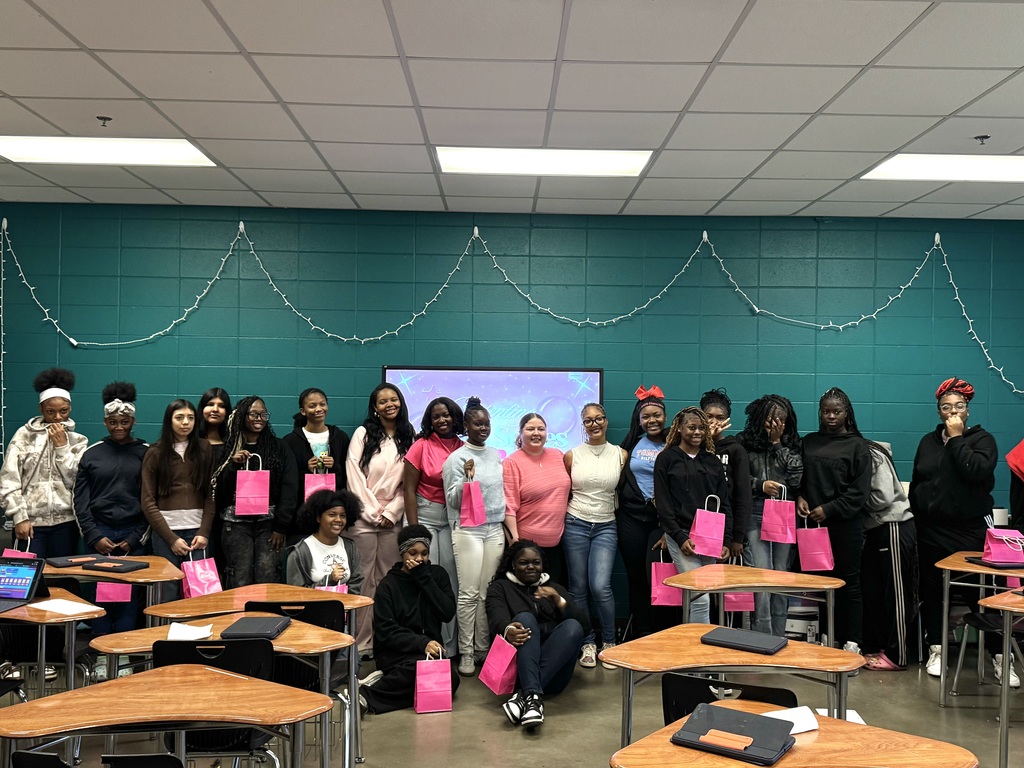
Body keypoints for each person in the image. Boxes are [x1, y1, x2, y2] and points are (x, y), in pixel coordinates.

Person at [911, 378, 1007, 683]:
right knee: (933, 591)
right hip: (931, 529)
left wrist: (955, 440)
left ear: (967, 410)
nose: (953, 411)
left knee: (980, 593)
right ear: (939, 411)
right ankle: (937, 649)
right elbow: (918, 479)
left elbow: (975, 470)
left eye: (959, 406)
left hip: (969, 531)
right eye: (946, 407)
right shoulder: (927, 441)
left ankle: (1000, 656)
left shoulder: (982, 440)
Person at [797, 387, 872, 653]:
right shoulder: (809, 442)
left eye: (836, 411)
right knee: (820, 583)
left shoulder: (858, 446)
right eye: (826, 411)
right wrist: (800, 496)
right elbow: (799, 477)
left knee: (848, 583)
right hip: (812, 528)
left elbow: (859, 493)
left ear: (846, 413)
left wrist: (829, 509)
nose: (831, 416)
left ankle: (853, 641)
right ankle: (828, 638)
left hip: (846, 526)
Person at [485, 539, 588, 730]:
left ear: (542, 565)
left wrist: (560, 601)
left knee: (573, 626)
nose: (531, 567)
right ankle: (532, 698)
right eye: (524, 562)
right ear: (513, 565)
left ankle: (525, 696)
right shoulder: (500, 588)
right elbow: (496, 619)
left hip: (554, 673)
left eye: (536, 562)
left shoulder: (554, 589)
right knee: (524, 619)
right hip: (515, 672)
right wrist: (508, 630)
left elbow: (586, 627)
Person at [73, 382, 148, 641]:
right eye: (113, 422)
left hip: (133, 535)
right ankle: (100, 649)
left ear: (133, 421)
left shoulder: (146, 453)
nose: (119, 427)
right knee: (100, 593)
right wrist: (93, 536)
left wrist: (136, 537)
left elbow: (151, 501)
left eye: (124, 421)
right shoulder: (91, 454)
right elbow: (79, 501)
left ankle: (124, 649)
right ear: (105, 422)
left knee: (128, 595)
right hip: (100, 533)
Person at [346, 383, 416, 657]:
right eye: (383, 401)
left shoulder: (409, 436)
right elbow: (353, 474)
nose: (390, 404)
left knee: (388, 581)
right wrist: (373, 512)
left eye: (394, 399)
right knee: (363, 581)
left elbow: (410, 484)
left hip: (392, 521)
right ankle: (361, 644)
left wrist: (391, 513)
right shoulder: (363, 434)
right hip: (363, 519)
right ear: (374, 407)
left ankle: (386, 640)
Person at [362, 524, 460, 714]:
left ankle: (385, 683)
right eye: (412, 553)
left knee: (451, 681)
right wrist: (421, 643)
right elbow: (387, 631)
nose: (419, 559)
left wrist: (424, 579)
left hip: (429, 654)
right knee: (419, 671)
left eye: (424, 553)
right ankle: (367, 696)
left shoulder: (437, 575)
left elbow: (447, 613)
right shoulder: (388, 585)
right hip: (395, 652)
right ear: (402, 554)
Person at [442, 397, 506, 677]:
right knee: (468, 594)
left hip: (494, 529)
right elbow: (452, 501)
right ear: (465, 425)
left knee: (485, 592)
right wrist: (468, 479)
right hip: (468, 529)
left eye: (487, 423)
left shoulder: (494, 455)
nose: (483, 428)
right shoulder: (456, 458)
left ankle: (482, 648)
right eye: (477, 423)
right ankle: (466, 653)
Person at [653, 406, 732, 624]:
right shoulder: (666, 459)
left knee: (705, 594)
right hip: (682, 536)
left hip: (710, 537)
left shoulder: (712, 461)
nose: (696, 432)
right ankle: (699, 652)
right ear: (679, 428)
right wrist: (679, 537)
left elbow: (724, 502)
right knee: (700, 598)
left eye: (701, 428)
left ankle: (696, 643)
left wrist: (726, 540)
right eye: (691, 427)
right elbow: (664, 504)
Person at [563, 402, 626, 669]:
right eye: (588, 421)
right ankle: (587, 643)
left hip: (606, 525)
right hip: (575, 523)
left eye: (599, 419)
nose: (594, 424)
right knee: (578, 589)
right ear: (583, 425)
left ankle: (609, 643)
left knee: (600, 587)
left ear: (606, 421)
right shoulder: (571, 455)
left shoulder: (621, 454)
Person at [1, 368, 88, 557]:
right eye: (51, 412)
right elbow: (9, 480)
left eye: (63, 411)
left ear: (70, 408)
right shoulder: (24, 436)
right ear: (41, 409)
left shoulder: (78, 440)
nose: (58, 417)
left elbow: (76, 481)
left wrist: (62, 447)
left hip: (66, 523)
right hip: (30, 523)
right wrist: (19, 517)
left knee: (63, 577)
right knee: (29, 580)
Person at [212, 395, 298, 587]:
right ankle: (237, 616)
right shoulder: (228, 448)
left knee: (267, 575)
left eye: (263, 414)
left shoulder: (278, 447)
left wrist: (280, 527)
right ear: (242, 416)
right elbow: (218, 490)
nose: (259, 418)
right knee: (238, 576)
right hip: (235, 525)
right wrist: (233, 465)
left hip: (269, 525)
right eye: (253, 414)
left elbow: (289, 487)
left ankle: (268, 617)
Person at [403, 396, 464, 655]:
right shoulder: (420, 445)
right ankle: (426, 642)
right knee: (425, 576)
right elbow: (408, 489)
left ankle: (449, 648)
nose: (442, 420)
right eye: (437, 416)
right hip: (424, 515)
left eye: (447, 415)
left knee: (448, 582)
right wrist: (415, 533)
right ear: (429, 420)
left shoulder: (463, 447)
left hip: (452, 518)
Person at [737, 394, 803, 637]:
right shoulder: (742, 442)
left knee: (781, 574)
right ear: (759, 419)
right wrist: (759, 485)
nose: (775, 425)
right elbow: (736, 477)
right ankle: (762, 636)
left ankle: (780, 635)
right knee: (762, 575)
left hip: (783, 512)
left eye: (781, 421)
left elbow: (796, 478)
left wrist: (777, 444)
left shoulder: (792, 444)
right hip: (755, 512)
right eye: (770, 421)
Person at [141, 399, 215, 602]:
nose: (186, 423)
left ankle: (199, 632)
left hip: (197, 535)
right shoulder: (155, 452)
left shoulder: (204, 448)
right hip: (166, 534)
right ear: (169, 421)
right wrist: (171, 538)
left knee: (200, 593)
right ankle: (167, 633)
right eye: (179, 417)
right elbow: (147, 501)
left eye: (191, 418)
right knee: (167, 591)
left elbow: (210, 495)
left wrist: (204, 533)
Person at [615, 386, 670, 640]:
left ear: (665, 417)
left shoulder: (673, 444)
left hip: (661, 523)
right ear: (638, 420)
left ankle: (662, 632)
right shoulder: (630, 445)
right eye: (646, 416)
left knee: (658, 578)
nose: (652, 420)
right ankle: (642, 632)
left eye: (656, 415)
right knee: (635, 577)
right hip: (632, 520)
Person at [861, 441, 917, 671]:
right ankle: (881, 647)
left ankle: (898, 655)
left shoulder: (871, 453)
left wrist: (850, 499)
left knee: (897, 594)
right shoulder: (859, 452)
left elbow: (882, 497)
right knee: (873, 592)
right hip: (875, 530)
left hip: (893, 525)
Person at [502, 413, 571, 583]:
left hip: (557, 545)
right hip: (527, 549)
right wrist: (516, 545)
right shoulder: (512, 463)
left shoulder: (558, 455)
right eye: (530, 428)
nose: (536, 433)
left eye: (541, 429)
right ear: (520, 433)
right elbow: (509, 507)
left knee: (552, 597)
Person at [282, 387, 350, 543]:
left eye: (322, 404)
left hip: (332, 514)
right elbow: (287, 481)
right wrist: (306, 469)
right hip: (301, 517)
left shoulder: (340, 438)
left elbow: (348, 476)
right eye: (312, 406)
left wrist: (335, 467)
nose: (319, 409)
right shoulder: (290, 441)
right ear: (303, 411)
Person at [700, 388, 753, 567]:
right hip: (695, 521)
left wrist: (737, 537)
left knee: (720, 583)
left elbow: (743, 495)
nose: (714, 421)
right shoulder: (691, 446)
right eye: (709, 416)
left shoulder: (735, 450)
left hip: (725, 525)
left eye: (720, 417)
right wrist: (708, 443)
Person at [286, 488, 363, 593]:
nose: (338, 520)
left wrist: (345, 604)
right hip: (313, 608)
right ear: (318, 518)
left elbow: (356, 582)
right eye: (332, 515)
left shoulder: (350, 547)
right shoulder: (300, 552)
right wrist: (328, 580)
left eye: (343, 516)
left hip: (344, 607)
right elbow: (296, 593)